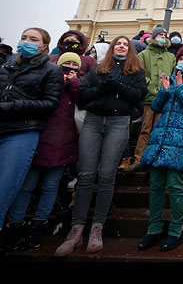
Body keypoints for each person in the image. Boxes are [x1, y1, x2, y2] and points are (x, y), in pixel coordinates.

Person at [54, 36, 146, 256]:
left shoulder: (137, 72)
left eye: (125, 44)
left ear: (130, 50)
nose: (121, 46)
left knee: (106, 176)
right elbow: (83, 95)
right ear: (112, 48)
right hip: (93, 121)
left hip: (118, 122)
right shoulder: (97, 70)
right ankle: (76, 231)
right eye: (118, 44)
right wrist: (102, 91)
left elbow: (138, 100)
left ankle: (97, 228)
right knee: (85, 175)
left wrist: (118, 91)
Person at [3, 53, 83, 251]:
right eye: (66, 64)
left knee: (50, 186)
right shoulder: (46, 81)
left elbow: (84, 102)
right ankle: (14, 226)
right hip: (38, 139)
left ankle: (37, 226)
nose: (70, 68)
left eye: (74, 65)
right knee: (26, 186)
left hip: (63, 144)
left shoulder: (77, 86)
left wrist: (73, 84)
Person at [137, 46, 183, 252]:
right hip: (160, 138)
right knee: (156, 186)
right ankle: (154, 229)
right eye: (181, 58)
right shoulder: (170, 78)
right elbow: (157, 107)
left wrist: (179, 89)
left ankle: (176, 231)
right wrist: (164, 90)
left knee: (176, 186)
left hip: (180, 139)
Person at [0, 28, 63, 234]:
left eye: (33, 39)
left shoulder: (52, 70)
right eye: (24, 37)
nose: (26, 41)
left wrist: (14, 106)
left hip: (22, 130)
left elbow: (50, 103)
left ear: (45, 46)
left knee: (3, 191)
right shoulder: (5, 66)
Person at [125, 25, 176, 173]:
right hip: (148, 98)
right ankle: (139, 158)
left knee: (160, 130)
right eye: (160, 35)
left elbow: (172, 75)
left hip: (164, 99)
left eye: (164, 35)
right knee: (145, 129)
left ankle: (156, 158)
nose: (163, 37)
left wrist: (168, 87)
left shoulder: (170, 57)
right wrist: (150, 84)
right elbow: (139, 74)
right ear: (153, 37)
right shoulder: (143, 55)